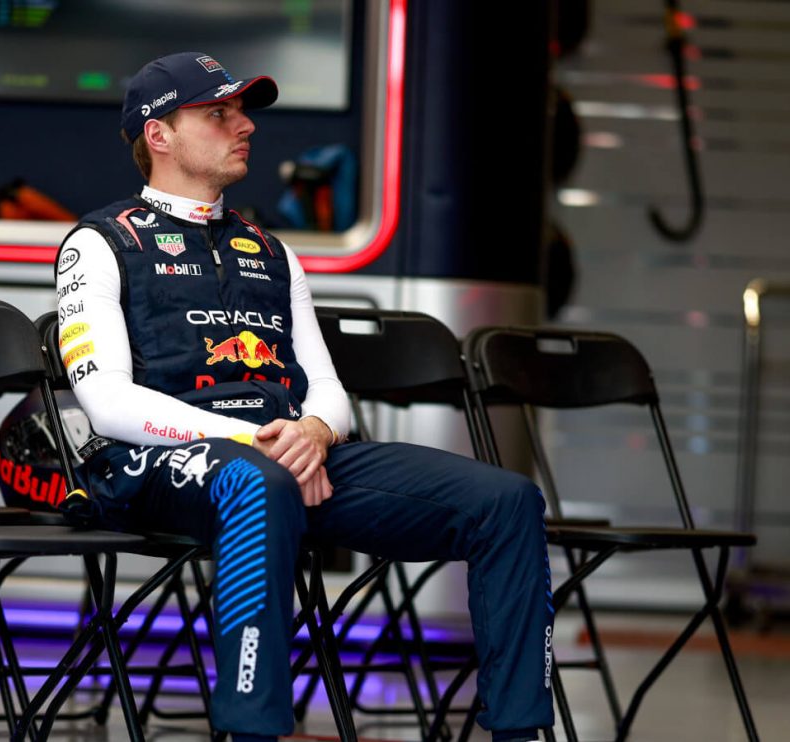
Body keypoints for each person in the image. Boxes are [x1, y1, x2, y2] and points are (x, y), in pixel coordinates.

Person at [55, 51, 554, 742]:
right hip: (159, 462)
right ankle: (254, 731)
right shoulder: (100, 242)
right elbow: (105, 402)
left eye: (243, 112)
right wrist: (253, 442)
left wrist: (315, 433)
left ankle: (520, 733)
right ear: (159, 135)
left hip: (293, 460)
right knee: (257, 485)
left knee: (506, 501)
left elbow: (327, 390)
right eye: (218, 113)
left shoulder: (272, 250)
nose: (245, 127)